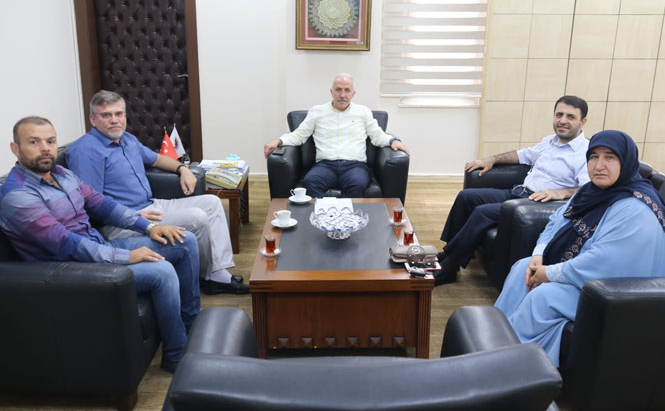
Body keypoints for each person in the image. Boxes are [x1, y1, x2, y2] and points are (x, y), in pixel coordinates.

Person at [0, 116, 202, 373]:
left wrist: (150, 227)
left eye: (50, 141)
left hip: (97, 248)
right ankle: (176, 355)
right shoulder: (18, 196)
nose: (45, 148)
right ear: (15, 148)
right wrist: (126, 257)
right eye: (34, 142)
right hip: (71, 271)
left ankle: (192, 325)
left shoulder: (62, 174)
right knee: (160, 270)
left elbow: (102, 204)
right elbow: (66, 244)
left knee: (184, 241)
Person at [495, 130, 665, 367]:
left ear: (626, 162)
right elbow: (557, 221)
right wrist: (539, 254)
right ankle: (494, 341)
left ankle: (511, 365)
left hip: (615, 289)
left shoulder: (635, 207)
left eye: (610, 157)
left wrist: (548, 273)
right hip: (582, 275)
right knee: (522, 268)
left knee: (544, 297)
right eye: (593, 157)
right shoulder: (590, 191)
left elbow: (604, 263)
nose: (599, 165)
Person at [67, 90, 248, 295]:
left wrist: (183, 169)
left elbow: (156, 159)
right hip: (124, 221)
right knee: (197, 217)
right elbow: (91, 204)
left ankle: (217, 273)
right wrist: (132, 216)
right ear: (93, 119)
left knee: (211, 203)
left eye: (119, 114)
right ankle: (206, 276)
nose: (114, 120)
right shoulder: (85, 151)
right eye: (106, 115)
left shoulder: (127, 139)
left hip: (152, 205)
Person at [435, 95, 591, 286]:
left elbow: (588, 189)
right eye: (559, 115)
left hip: (536, 204)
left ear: (583, 121)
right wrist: (491, 160)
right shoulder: (550, 141)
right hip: (518, 192)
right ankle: (448, 252)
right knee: (466, 197)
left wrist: (561, 193)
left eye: (570, 117)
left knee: (482, 212)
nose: (562, 121)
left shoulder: (586, 152)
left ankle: (448, 268)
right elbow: (524, 155)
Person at [263, 73, 410, 198]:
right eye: (338, 90)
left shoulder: (363, 112)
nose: (342, 95)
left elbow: (377, 135)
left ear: (353, 93)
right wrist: (279, 140)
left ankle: (347, 221)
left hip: (355, 166)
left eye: (347, 90)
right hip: (325, 165)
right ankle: (320, 219)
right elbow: (299, 135)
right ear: (331, 92)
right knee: (310, 182)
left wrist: (393, 140)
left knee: (357, 184)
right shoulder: (317, 111)